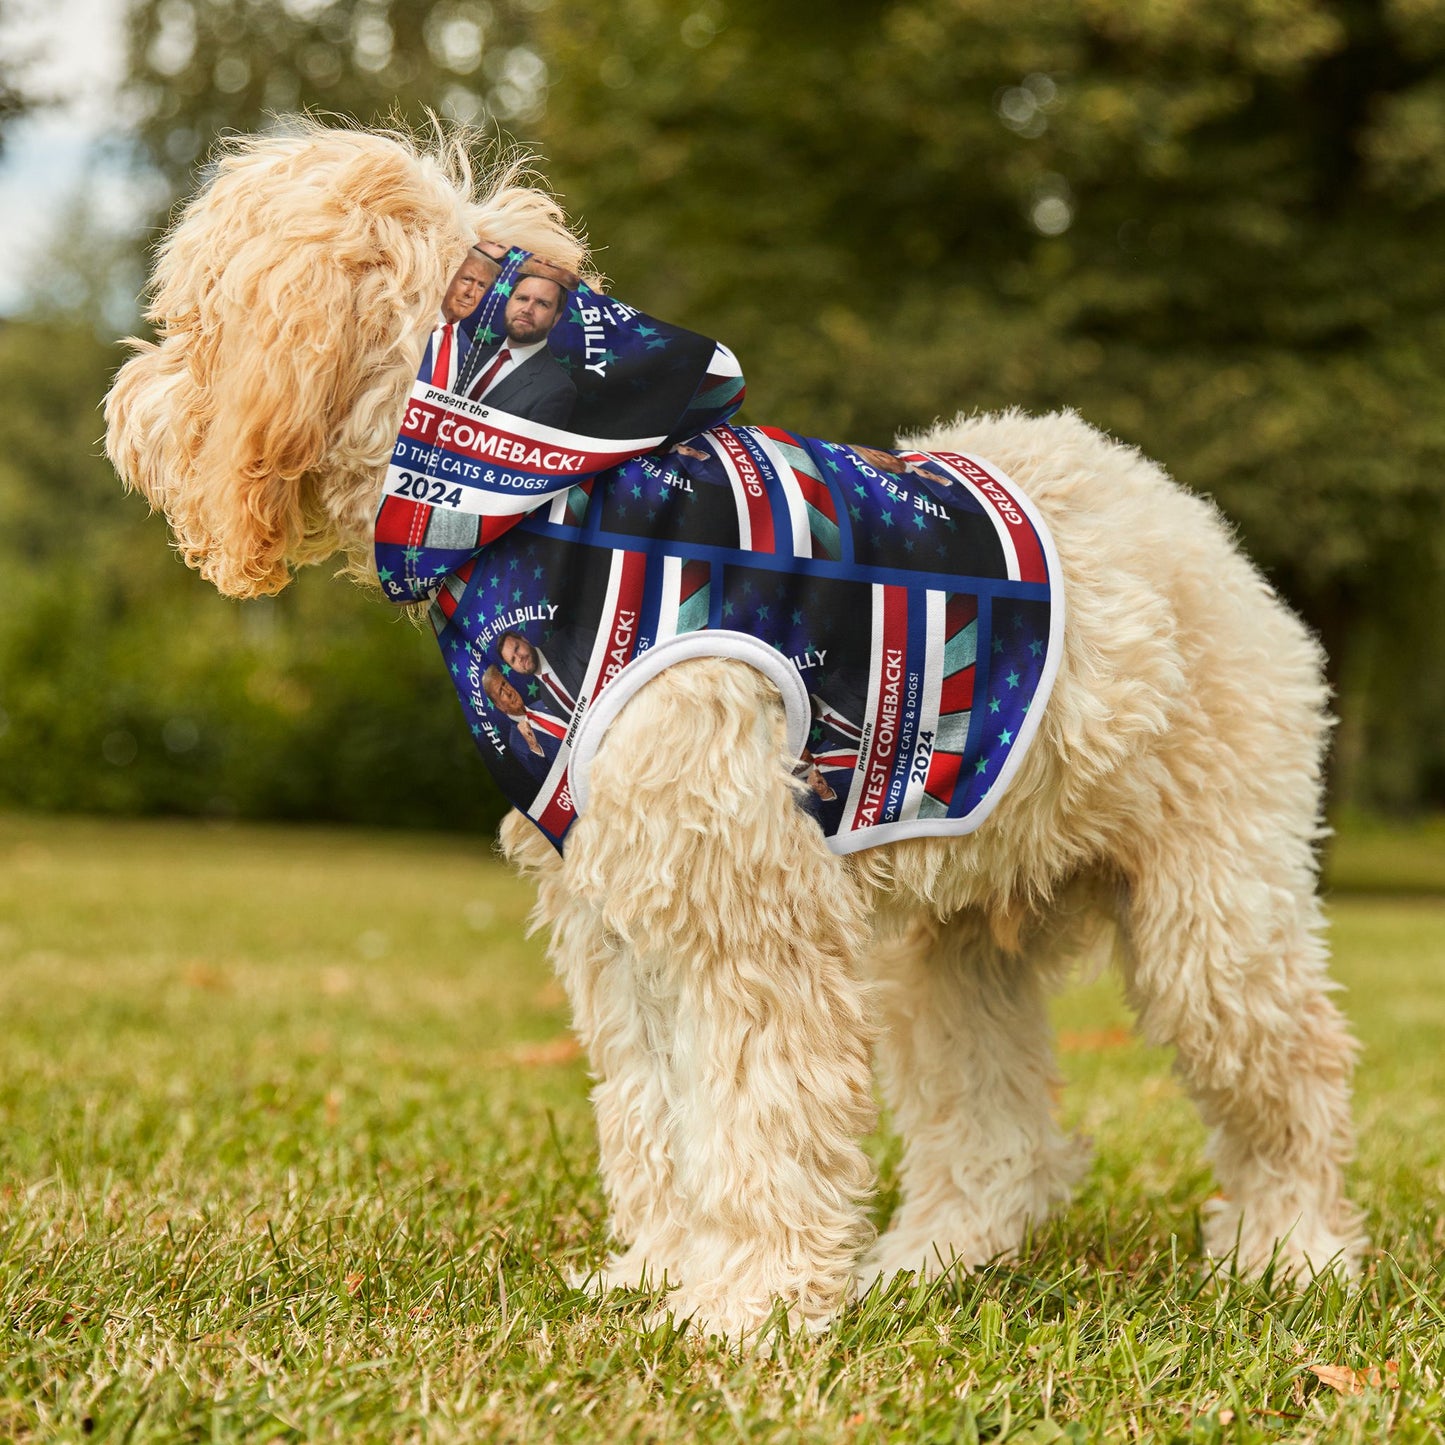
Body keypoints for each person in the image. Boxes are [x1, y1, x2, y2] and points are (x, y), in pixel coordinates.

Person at [464, 275, 578, 427]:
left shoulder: (557, 388)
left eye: (542, 304)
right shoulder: (470, 355)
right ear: (509, 303)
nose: (527, 309)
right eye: (522, 298)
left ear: (556, 317)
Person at [418, 248, 498, 391]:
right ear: (446, 278)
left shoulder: (470, 355)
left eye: (481, 286)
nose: (471, 293)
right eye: (467, 279)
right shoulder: (410, 326)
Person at [481, 663, 567, 781]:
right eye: (501, 692)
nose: (508, 691)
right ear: (499, 706)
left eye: (505, 684)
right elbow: (547, 781)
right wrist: (534, 747)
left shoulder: (544, 702)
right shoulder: (517, 742)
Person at [496, 627, 591, 717]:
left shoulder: (566, 639)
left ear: (524, 640)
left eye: (517, 648)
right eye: (513, 660)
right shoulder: (547, 699)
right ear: (513, 668)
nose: (519, 658)